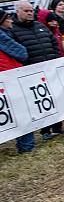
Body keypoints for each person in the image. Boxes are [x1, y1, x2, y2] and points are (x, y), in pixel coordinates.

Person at [11, 0, 64, 141]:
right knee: (41, 100)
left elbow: (53, 41)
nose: (30, 13)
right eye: (26, 11)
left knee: (56, 96)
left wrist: (55, 57)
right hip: (31, 70)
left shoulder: (40, 25)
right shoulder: (13, 30)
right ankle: (45, 130)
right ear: (18, 12)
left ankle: (58, 126)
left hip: (50, 67)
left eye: (31, 10)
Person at [0, 8, 33, 153]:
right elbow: (22, 53)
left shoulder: (6, 34)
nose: (11, 20)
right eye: (8, 18)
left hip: (10, 76)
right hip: (9, 78)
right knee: (21, 111)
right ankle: (26, 145)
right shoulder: (2, 37)